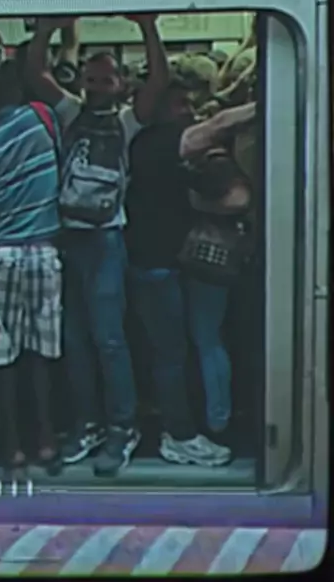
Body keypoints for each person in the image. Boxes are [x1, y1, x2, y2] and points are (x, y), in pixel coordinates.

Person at [27, 14, 169, 476]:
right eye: (90, 79)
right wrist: (45, 32)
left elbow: (159, 82)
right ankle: (87, 425)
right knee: (75, 339)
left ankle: (121, 428)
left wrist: (149, 28)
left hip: (107, 238)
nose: (95, 87)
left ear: (120, 84)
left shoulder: (127, 121)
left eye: (105, 80)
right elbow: (35, 75)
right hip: (68, 236)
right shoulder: (70, 112)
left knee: (109, 339)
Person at [125, 76, 232, 466]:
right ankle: (179, 436)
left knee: (172, 352)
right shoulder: (153, 143)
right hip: (153, 264)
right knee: (169, 355)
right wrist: (259, 105)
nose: (188, 112)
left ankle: (178, 426)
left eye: (190, 104)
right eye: (179, 105)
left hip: (163, 262)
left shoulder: (161, 148)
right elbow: (216, 129)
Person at [0, 59, 63, 475]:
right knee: (41, 351)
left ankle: (11, 448)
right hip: (43, 251)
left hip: (0, 253)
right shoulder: (42, 117)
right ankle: (46, 440)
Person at [178, 101, 256, 440]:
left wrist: (194, 201)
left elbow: (239, 199)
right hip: (235, 258)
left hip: (211, 264)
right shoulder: (242, 152)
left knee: (207, 338)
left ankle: (218, 419)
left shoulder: (217, 159)